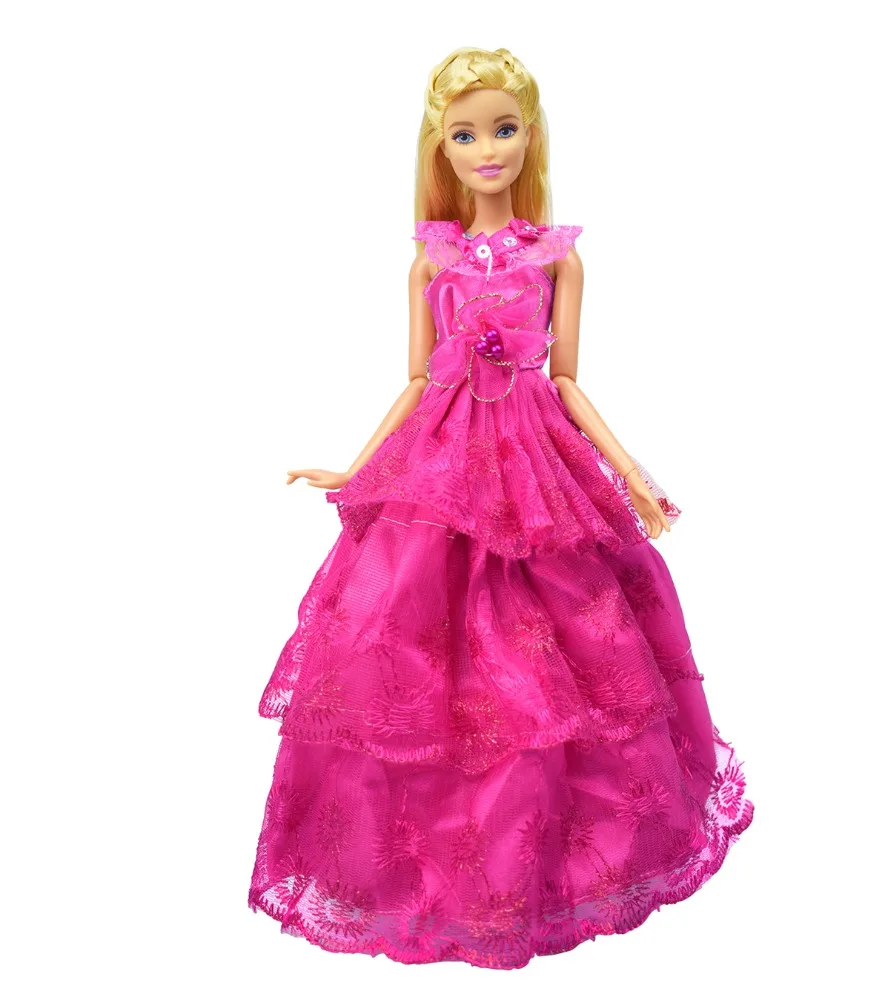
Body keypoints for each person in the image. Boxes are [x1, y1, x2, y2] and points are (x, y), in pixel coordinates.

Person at [248, 45, 753, 970]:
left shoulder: (558, 257)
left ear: (531, 136)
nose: (488, 149)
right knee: (411, 633)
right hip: (440, 462)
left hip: (534, 461)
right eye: (467, 134)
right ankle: (429, 863)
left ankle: (558, 853)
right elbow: (414, 377)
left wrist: (631, 472)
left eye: (505, 129)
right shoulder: (428, 260)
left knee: (565, 636)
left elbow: (567, 380)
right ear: (440, 147)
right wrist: (357, 467)